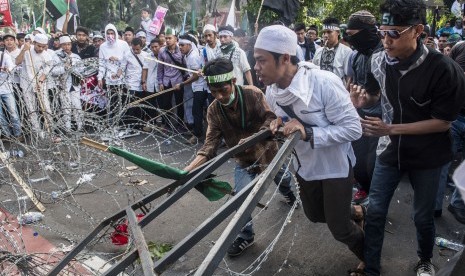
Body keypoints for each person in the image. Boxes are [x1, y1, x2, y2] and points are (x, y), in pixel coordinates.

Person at [357, 1, 465, 275]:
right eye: (382, 33)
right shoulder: (378, 60)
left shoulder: (444, 69)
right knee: (376, 210)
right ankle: (371, 268)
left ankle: (425, 259)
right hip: (390, 151)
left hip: (429, 156)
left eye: (394, 33)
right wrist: (361, 99)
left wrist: (390, 129)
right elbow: (373, 94)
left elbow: (443, 123)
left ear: (418, 31)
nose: (386, 41)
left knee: (422, 216)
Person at [254, 24, 365, 275]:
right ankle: (356, 210)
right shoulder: (272, 92)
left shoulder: (323, 83)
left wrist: (310, 132)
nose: (257, 68)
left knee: (340, 228)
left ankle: (369, 256)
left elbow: (353, 129)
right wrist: (277, 124)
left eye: (261, 61)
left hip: (335, 165)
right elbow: (282, 122)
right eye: (255, 61)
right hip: (305, 166)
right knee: (315, 214)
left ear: (284, 58)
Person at [184, 57, 297, 257]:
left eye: (223, 90)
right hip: (243, 161)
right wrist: (187, 170)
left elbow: (270, 118)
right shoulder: (214, 111)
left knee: (284, 179)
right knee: (240, 199)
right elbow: (209, 146)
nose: (219, 96)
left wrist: (254, 137)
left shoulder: (252, 94)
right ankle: (246, 236)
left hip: (268, 152)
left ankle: (289, 193)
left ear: (233, 82)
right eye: (213, 92)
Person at [345, 10, 384, 205]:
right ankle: (364, 188)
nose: (349, 39)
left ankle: (376, 200)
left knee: (373, 164)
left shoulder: (385, 55)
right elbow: (351, 82)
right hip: (359, 116)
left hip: (381, 121)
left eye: (353, 35)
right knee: (358, 161)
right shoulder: (356, 56)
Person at [16, 33, 54, 137]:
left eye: (43, 46)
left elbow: (48, 67)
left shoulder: (46, 55)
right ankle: (37, 132)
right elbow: (17, 62)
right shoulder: (27, 50)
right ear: (34, 43)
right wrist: (24, 50)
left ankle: (50, 130)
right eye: (38, 46)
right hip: (26, 83)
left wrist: (41, 80)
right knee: (31, 109)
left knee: (46, 107)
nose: (41, 48)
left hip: (40, 83)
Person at [175, 34, 208, 144]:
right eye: (179, 45)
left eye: (182, 45)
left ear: (189, 45)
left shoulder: (193, 56)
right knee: (200, 111)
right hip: (196, 87)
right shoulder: (187, 55)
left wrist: (182, 84)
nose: (180, 47)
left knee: (197, 111)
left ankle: (198, 135)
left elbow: (196, 76)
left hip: (201, 87)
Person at [97, 23, 130, 123]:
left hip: (122, 77)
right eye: (108, 33)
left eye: (112, 33)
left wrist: (118, 60)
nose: (110, 35)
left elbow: (127, 59)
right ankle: (111, 123)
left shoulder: (123, 44)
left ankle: (120, 122)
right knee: (111, 102)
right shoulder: (103, 46)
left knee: (122, 101)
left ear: (116, 33)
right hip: (109, 78)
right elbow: (101, 63)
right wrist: (100, 77)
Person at [52, 35, 83, 132]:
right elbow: (53, 71)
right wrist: (64, 68)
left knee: (77, 106)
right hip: (63, 85)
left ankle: (80, 127)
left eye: (68, 44)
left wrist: (74, 69)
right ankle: (68, 128)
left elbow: (82, 70)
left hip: (75, 84)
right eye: (64, 45)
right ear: (61, 45)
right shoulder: (57, 57)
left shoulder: (76, 57)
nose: (67, 47)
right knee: (66, 108)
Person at [157, 27, 185, 128]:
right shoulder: (161, 51)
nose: (167, 40)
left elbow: (184, 66)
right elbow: (160, 68)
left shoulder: (181, 50)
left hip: (178, 81)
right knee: (166, 104)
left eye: (170, 38)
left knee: (179, 103)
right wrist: (160, 82)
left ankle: (180, 123)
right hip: (166, 81)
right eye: (166, 38)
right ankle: (167, 124)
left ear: (175, 39)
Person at [313, 17, 353, 83]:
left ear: (338, 33)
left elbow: (349, 76)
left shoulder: (346, 51)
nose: (325, 35)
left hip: (338, 91)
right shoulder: (318, 51)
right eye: (324, 32)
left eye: (329, 32)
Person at [0, 41, 22, 141]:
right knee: (0, 115)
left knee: (13, 112)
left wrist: (7, 68)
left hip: (6, 89)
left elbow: (12, 67)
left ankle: (18, 134)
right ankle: (7, 134)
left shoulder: (4, 56)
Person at [141, 38, 161, 127]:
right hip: (150, 83)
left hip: (161, 84)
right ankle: (151, 122)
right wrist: (143, 82)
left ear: (160, 46)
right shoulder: (148, 56)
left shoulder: (164, 56)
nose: (154, 49)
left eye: (156, 46)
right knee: (151, 104)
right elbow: (145, 69)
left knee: (161, 104)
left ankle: (161, 122)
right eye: (152, 47)